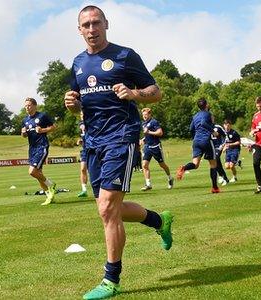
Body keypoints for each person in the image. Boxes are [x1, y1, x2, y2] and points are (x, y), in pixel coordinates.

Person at [63, 6, 173, 300]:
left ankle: (111, 280)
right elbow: (78, 108)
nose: (91, 28)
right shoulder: (77, 63)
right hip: (93, 142)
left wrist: (135, 94)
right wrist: (72, 106)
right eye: (85, 24)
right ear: (79, 30)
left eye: (96, 22)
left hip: (121, 137)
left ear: (106, 24)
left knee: (106, 209)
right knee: (111, 208)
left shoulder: (125, 56)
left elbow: (156, 91)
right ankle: (159, 221)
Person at [177, 98, 221, 193]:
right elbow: (203, 123)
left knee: (195, 164)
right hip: (206, 140)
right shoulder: (208, 114)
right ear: (206, 105)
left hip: (196, 141)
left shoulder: (195, 116)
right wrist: (213, 132)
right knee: (213, 164)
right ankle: (215, 188)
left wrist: (194, 138)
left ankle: (184, 168)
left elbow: (191, 128)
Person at [21, 97, 57, 205]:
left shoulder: (42, 116)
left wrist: (43, 130)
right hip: (32, 149)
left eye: (29, 105)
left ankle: (51, 184)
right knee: (38, 174)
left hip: (42, 146)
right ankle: (49, 196)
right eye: (25, 106)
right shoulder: (25, 120)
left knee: (32, 171)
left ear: (35, 106)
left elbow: (54, 127)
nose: (27, 107)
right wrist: (23, 133)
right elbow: (23, 135)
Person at [139, 108, 174, 191]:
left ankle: (170, 178)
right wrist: (143, 139)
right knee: (144, 165)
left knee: (162, 165)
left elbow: (160, 133)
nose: (144, 116)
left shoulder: (154, 122)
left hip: (155, 147)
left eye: (146, 114)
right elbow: (147, 135)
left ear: (150, 114)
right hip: (147, 147)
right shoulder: (143, 123)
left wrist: (149, 132)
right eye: (143, 115)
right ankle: (148, 184)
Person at [77, 114, 89, 197]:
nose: (82, 115)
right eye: (81, 114)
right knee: (82, 169)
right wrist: (81, 141)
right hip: (85, 150)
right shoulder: (80, 123)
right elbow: (84, 136)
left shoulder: (93, 121)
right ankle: (84, 190)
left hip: (95, 148)